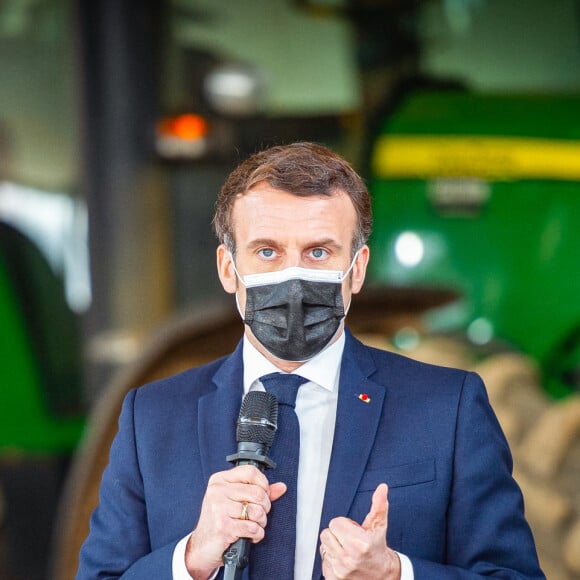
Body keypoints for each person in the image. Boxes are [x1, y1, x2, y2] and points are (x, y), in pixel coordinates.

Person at [77, 142, 544, 579]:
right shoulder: (153, 418)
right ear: (227, 268)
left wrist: (395, 573)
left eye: (318, 252)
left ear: (356, 269)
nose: (293, 277)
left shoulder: (449, 408)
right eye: (267, 251)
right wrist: (193, 557)